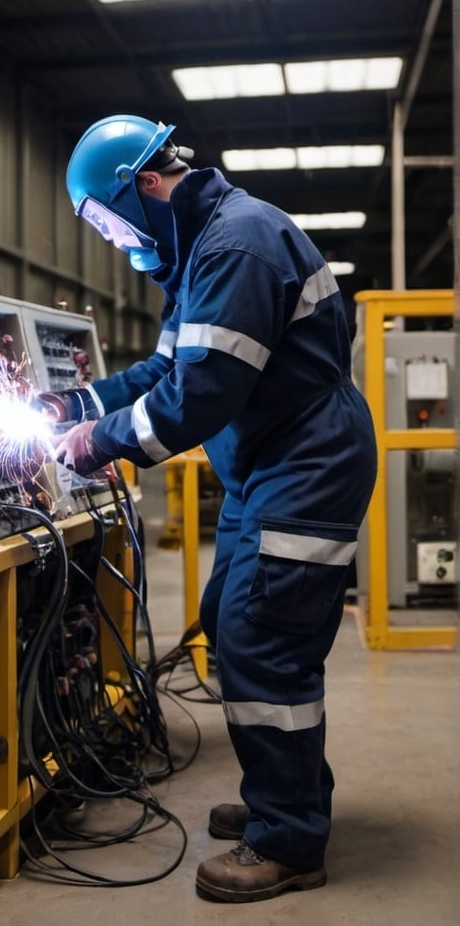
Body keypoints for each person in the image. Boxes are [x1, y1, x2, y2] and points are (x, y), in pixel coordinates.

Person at [41, 114, 377, 903]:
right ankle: (282, 799)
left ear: (145, 188)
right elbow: (164, 370)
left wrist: (98, 443)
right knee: (230, 618)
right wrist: (74, 403)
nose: (115, 241)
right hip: (265, 466)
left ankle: (289, 840)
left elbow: (199, 398)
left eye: (110, 224)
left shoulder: (236, 246)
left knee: (265, 638)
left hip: (307, 463)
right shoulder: (201, 254)